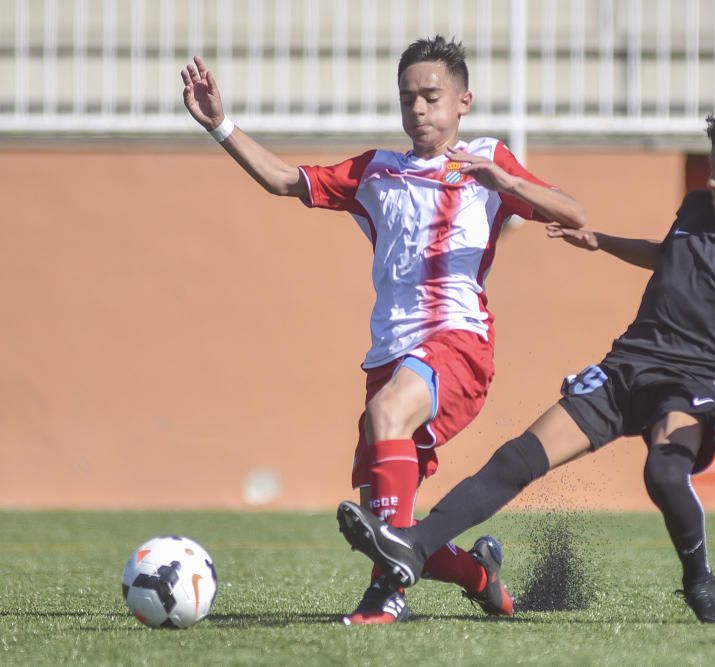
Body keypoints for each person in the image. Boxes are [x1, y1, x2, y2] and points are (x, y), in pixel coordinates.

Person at [335, 105, 715, 624]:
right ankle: (412, 546)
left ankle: (698, 578)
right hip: (628, 365)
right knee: (517, 459)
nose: (713, 181)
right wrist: (602, 242)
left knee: (664, 472)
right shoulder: (698, 208)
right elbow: (670, 254)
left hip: (694, 381)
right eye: (712, 168)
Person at [180, 36, 585, 625]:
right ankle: (479, 574)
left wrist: (506, 181)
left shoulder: (485, 161)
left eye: (432, 96)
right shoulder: (377, 170)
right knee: (383, 522)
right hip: (389, 356)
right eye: (407, 98)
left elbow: (573, 213)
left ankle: (385, 597)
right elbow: (283, 180)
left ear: (463, 101)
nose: (418, 109)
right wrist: (220, 125)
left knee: (388, 419)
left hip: (458, 343)